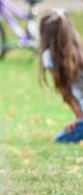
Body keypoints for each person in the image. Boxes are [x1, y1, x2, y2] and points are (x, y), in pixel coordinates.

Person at [38, 10, 83, 143]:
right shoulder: (79, 49)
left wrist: (79, 117)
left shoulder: (49, 57)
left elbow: (65, 93)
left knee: (61, 139)